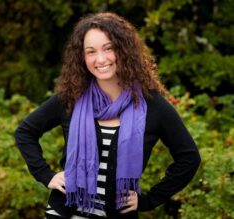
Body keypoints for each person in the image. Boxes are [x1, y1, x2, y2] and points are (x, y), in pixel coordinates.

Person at [15, 12, 201, 219]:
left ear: (124, 50)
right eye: (91, 52)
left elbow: (189, 158)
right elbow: (25, 132)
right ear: (82, 57)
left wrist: (149, 199)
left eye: (108, 48)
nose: (100, 59)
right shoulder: (71, 98)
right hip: (65, 212)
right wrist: (46, 175)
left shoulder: (152, 105)